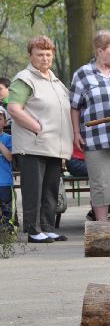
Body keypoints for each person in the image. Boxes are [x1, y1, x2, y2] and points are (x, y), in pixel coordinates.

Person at [6, 35, 72, 242]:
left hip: (54, 145)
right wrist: (36, 127)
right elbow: (14, 108)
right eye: (40, 54)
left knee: (51, 188)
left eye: (48, 54)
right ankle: (34, 231)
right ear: (30, 55)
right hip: (33, 145)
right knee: (33, 189)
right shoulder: (24, 78)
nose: (45, 58)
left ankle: (47, 227)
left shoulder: (55, 80)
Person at [70, 30, 110, 223]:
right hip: (96, 139)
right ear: (100, 51)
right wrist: (76, 133)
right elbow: (74, 107)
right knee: (100, 185)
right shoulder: (82, 74)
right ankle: (102, 229)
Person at [0, 107, 13, 231]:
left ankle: (7, 229)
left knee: (7, 211)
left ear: (4, 121)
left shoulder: (8, 139)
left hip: (4, 182)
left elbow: (9, 157)